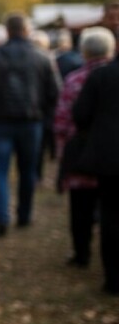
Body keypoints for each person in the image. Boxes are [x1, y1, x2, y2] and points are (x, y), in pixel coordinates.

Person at [0, 13, 59, 236]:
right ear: (26, 30)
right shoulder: (41, 57)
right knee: (28, 170)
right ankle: (24, 214)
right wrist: (44, 113)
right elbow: (54, 91)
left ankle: (3, 216)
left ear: (8, 30)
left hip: (0, 121)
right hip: (31, 122)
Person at [53, 27, 113, 268]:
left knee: (80, 207)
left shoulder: (75, 79)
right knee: (111, 209)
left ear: (84, 51)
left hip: (80, 153)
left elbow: (62, 119)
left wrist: (62, 152)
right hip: (111, 156)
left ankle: (81, 253)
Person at [73, 30, 119, 295]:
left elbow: (80, 113)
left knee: (111, 216)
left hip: (110, 156)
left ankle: (113, 278)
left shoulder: (101, 75)